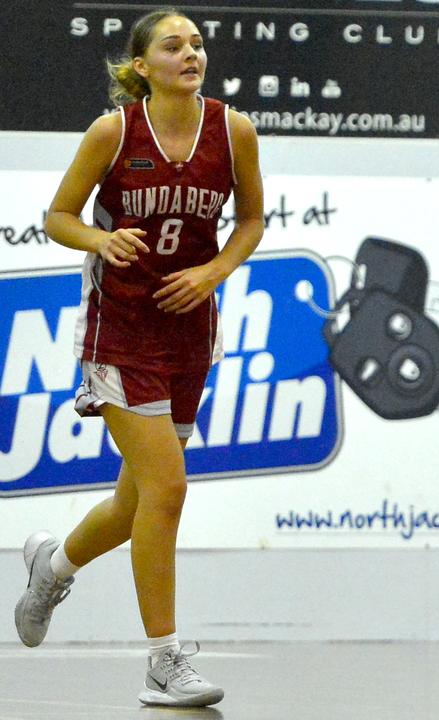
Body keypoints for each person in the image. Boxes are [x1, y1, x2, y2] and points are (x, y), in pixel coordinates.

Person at [13, 8, 263, 708]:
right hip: (120, 332)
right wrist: (101, 241)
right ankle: (163, 659)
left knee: (136, 502)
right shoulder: (114, 131)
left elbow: (249, 220)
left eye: (198, 42)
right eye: (173, 44)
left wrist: (213, 273)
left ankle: (52, 566)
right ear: (142, 65)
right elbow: (58, 216)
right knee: (171, 490)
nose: (191, 52)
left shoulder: (233, 130)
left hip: (189, 331)